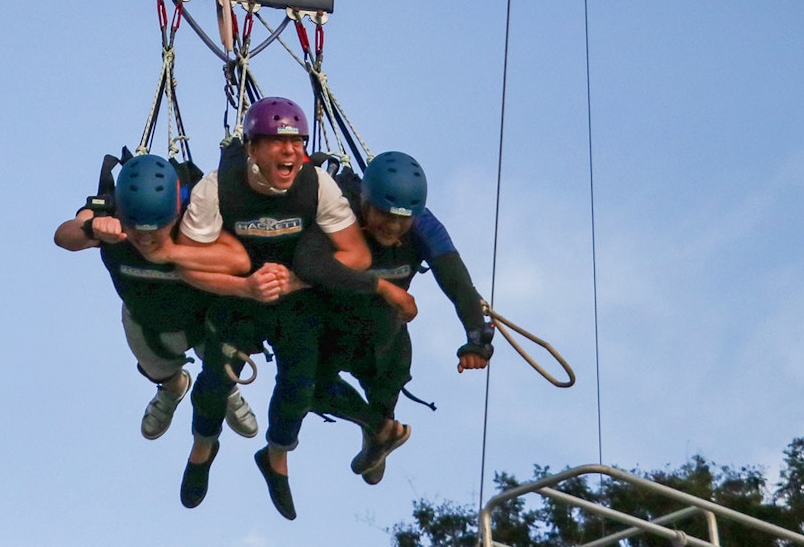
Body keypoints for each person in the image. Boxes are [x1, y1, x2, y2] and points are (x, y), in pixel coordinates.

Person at [173, 96, 371, 520]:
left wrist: (298, 279)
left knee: (298, 386)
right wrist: (245, 287)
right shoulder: (217, 187)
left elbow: (356, 255)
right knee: (213, 382)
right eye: (278, 142)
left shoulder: (317, 183)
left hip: (296, 296)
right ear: (251, 148)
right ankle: (203, 446)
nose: (290, 151)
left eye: (298, 141)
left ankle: (276, 457)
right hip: (238, 293)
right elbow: (186, 266)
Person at [294, 150, 494, 485]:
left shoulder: (424, 226)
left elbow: (457, 282)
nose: (394, 226)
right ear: (366, 202)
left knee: (388, 382)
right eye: (385, 215)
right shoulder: (340, 208)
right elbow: (309, 264)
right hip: (328, 326)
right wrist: (383, 287)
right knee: (307, 386)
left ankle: (380, 430)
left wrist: (477, 340)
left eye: (403, 219)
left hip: (384, 337)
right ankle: (377, 427)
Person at [53, 154, 260, 443]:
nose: (147, 239)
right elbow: (64, 236)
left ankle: (226, 389)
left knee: (223, 362)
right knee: (155, 363)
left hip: (206, 315)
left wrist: (171, 254)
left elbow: (239, 259)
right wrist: (92, 228)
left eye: (156, 229)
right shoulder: (109, 212)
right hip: (146, 318)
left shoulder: (199, 212)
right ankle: (173, 387)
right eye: (137, 230)